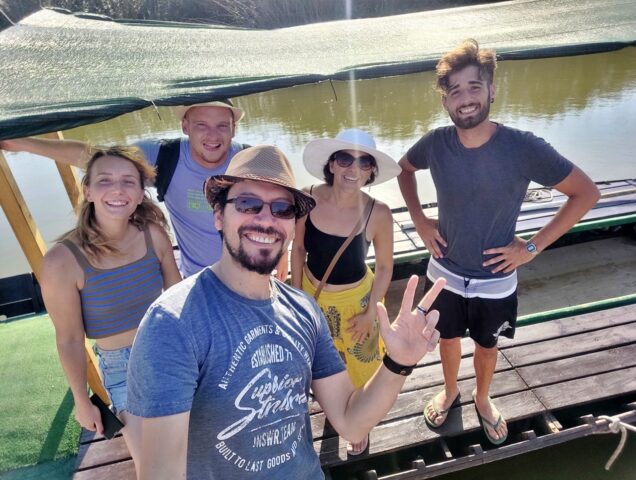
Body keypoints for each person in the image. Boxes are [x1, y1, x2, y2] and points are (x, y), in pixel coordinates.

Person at [126, 145, 446, 480]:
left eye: (282, 209)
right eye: (248, 204)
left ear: (293, 226)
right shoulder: (173, 322)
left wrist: (398, 364)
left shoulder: (304, 310)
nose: (266, 220)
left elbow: (351, 423)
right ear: (219, 215)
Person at [397, 39, 600, 445]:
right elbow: (403, 170)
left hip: (496, 278)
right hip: (445, 272)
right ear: (444, 102)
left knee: (487, 344)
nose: (465, 99)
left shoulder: (522, 147)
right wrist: (420, 220)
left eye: (474, 87)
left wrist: (531, 248)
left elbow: (585, 193)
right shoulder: (436, 143)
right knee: (448, 338)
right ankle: (451, 389)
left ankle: (483, 397)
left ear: (492, 90)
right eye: (454, 90)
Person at [0, 99, 288, 279]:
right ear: (185, 125)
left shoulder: (251, 161)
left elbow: (284, 214)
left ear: (234, 129)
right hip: (200, 279)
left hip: (255, 275)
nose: (212, 136)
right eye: (202, 125)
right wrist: (23, 143)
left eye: (222, 126)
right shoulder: (165, 156)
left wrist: (283, 265)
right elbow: (93, 157)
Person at [39, 146, 182, 474]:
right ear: (87, 191)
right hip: (122, 369)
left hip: (171, 353)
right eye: (105, 180)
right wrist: (81, 399)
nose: (118, 190)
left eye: (128, 181)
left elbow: (178, 303)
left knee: (202, 447)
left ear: (139, 193)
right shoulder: (62, 261)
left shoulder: (154, 235)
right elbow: (70, 339)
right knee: (156, 468)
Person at [290, 129, 400, 455]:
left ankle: (357, 420)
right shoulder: (306, 199)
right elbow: (297, 250)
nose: (353, 168)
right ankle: (330, 407)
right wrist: (298, 298)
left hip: (357, 300)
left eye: (364, 162)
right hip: (314, 293)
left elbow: (383, 268)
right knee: (320, 360)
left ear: (370, 172)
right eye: (345, 158)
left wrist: (371, 312)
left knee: (357, 363)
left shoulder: (378, 213)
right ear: (332, 165)